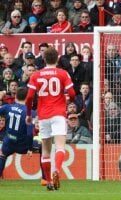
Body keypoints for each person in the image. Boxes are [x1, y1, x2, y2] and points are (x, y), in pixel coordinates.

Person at [25, 47, 76, 191]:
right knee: (60, 146)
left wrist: (29, 114)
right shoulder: (62, 73)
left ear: (44, 59)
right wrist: (68, 100)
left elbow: (29, 97)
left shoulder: (36, 75)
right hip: (58, 114)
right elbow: (72, 93)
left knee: (46, 151)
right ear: (58, 58)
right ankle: (57, 171)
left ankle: (48, 181)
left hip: (43, 116)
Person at [0, 87, 33, 178]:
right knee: (43, 149)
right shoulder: (28, 112)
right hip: (23, 146)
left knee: (2, 154)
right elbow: (30, 133)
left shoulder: (7, 107)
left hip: (8, 142)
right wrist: (30, 148)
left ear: (15, 97)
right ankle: (45, 179)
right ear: (27, 98)